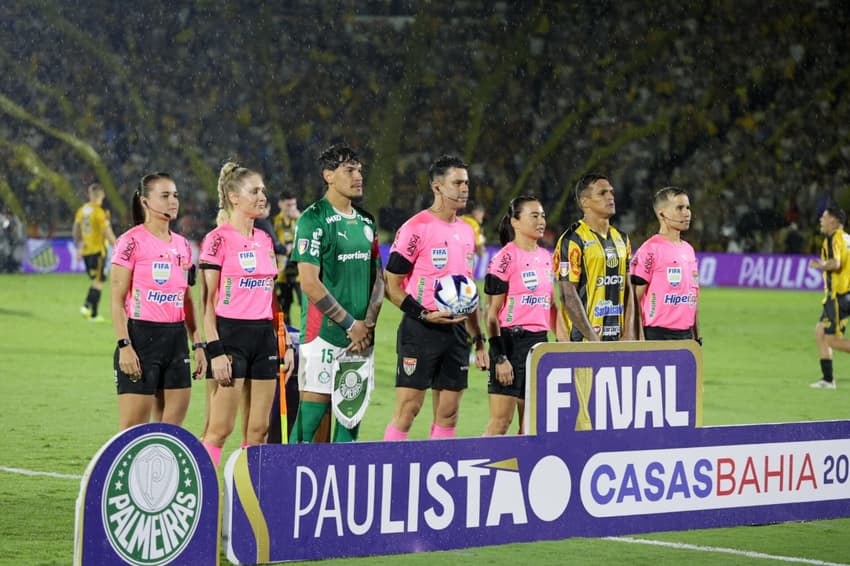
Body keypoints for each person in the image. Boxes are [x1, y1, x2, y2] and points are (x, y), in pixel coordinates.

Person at [383, 154, 489, 441]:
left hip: (456, 332)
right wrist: (423, 314)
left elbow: (469, 292)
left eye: (466, 182)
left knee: (449, 412)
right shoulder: (416, 228)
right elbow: (391, 285)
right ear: (437, 187)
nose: (465, 188)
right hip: (421, 329)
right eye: (457, 182)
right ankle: (390, 472)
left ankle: (436, 472)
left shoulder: (467, 231)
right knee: (408, 409)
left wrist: (478, 339)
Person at [198, 162, 293, 466]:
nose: (263, 196)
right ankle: (205, 497)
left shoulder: (264, 239)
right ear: (233, 197)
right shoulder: (217, 240)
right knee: (219, 429)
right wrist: (215, 351)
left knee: (259, 430)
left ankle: (247, 500)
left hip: (264, 337)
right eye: (255, 191)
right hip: (230, 338)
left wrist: (285, 341)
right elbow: (206, 303)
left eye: (263, 190)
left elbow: (271, 297)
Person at [289, 144, 384, 443]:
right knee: (308, 426)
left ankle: (340, 489)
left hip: (360, 340)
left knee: (349, 424)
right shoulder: (312, 219)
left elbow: (378, 279)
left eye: (359, 170)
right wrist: (350, 325)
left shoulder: (367, 222)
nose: (358, 176)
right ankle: (284, 486)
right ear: (328, 175)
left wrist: (366, 325)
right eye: (349, 170)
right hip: (322, 338)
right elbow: (309, 283)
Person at [110, 172, 206, 430]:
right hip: (141, 338)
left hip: (176, 342)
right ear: (144, 201)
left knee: (172, 433)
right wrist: (124, 346)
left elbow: (187, 298)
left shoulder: (184, 245)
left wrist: (198, 343)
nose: (173, 201)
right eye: (164, 196)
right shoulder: (130, 242)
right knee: (133, 433)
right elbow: (116, 300)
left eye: (175, 195)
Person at [484, 196, 565, 436]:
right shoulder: (504, 259)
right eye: (534, 216)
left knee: (530, 425)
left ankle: (521, 472)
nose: (541, 221)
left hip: (539, 345)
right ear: (515, 222)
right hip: (510, 343)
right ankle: (480, 470)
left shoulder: (546, 258)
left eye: (542, 215)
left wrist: (561, 345)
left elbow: (551, 306)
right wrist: (499, 357)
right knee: (500, 423)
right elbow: (491, 315)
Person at [553, 174, 634, 342]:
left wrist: (628, 334)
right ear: (585, 202)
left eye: (611, 192)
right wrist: (593, 340)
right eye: (602, 193)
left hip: (617, 341)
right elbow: (568, 295)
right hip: (584, 343)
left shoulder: (622, 239)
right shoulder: (572, 240)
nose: (610, 197)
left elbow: (628, 290)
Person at [629, 187, 700, 341]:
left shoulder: (689, 250)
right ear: (662, 214)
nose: (687, 213)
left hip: (686, 336)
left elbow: (693, 297)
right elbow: (633, 298)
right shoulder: (650, 249)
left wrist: (695, 335)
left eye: (688, 207)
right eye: (679, 208)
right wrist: (638, 337)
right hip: (657, 335)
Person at [810, 205, 850, 389]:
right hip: (843, 294)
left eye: (824, 217)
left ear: (833, 221)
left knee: (831, 339)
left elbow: (836, 263)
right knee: (820, 332)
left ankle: (828, 380)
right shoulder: (847, 238)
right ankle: (827, 380)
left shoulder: (834, 238)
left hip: (838, 295)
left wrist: (820, 265)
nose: (821, 220)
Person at [74, 183, 117, 322]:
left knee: (96, 281)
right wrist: (118, 246)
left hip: (86, 251)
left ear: (89, 195)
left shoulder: (82, 210)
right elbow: (107, 232)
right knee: (99, 282)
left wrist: (79, 247)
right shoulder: (99, 212)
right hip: (98, 251)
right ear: (102, 195)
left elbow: (76, 230)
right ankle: (86, 305)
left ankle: (94, 315)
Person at [273, 192, 302, 323]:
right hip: (282, 272)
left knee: (306, 305)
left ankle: (309, 337)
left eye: (293, 204)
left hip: (300, 272)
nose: (291, 208)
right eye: (288, 205)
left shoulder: (301, 220)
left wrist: (301, 218)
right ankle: (287, 338)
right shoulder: (275, 222)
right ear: (280, 204)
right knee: (284, 308)